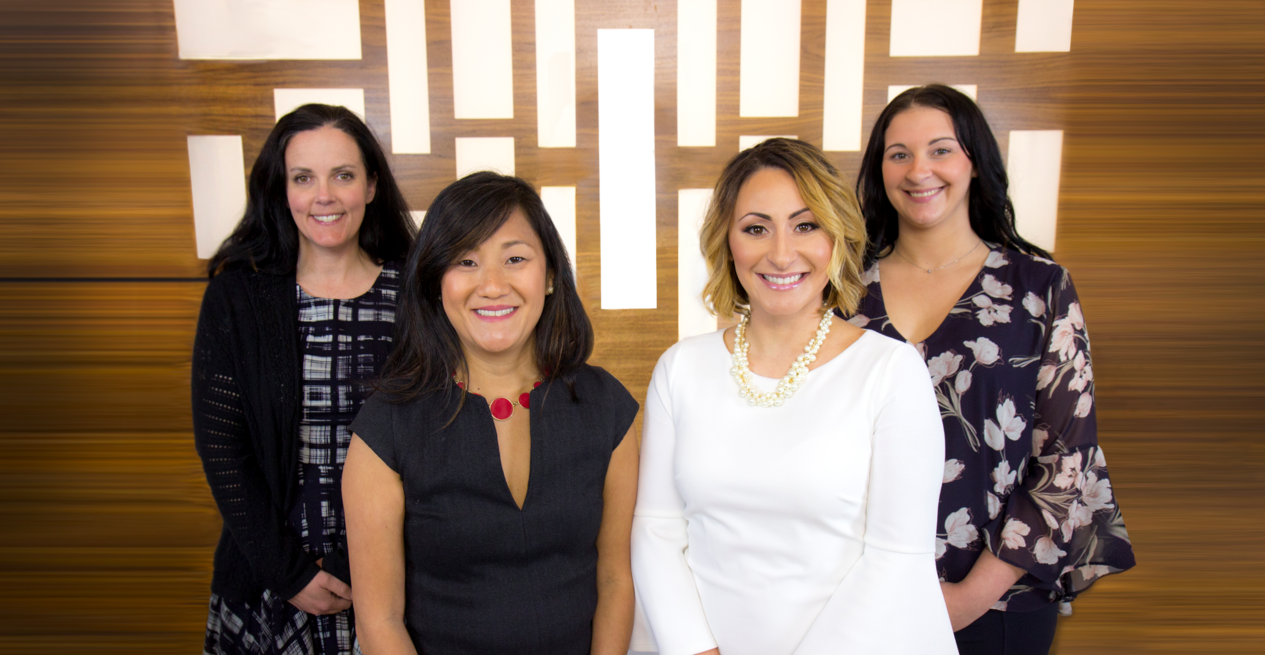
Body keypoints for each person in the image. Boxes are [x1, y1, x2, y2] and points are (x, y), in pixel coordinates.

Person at [631, 138, 956, 655]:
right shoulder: (680, 369)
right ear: (727, 242)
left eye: (805, 226)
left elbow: (898, 557)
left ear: (836, 237)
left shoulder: (891, 372)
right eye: (755, 228)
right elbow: (655, 531)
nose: (781, 254)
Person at [849, 84, 1136, 654]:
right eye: (899, 154)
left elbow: (1067, 457)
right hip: (855, 596)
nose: (919, 170)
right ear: (880, 170)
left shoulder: (1039, 288)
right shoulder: (839, 293)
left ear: (975, 162)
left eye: (940, 150)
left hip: (998, 605)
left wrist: (968, 600)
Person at [342, 171, 640, 654]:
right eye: (466, 261)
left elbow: (615, 580)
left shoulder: (606, 405)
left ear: (550, 276)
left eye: (515, 258)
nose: (493, 285)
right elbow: (380, 620)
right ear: (435, 282)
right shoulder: (386, 425)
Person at [192, 103, 416, 654]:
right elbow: (223, 448)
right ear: (281, 189)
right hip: (267, 578)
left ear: (370, 186)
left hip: (391, 576)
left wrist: (351, 565)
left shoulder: (416, 296)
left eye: (342, 175)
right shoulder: (236, 297)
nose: (324, 196)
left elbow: (434, 441)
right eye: (303, 178)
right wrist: (290, 573)